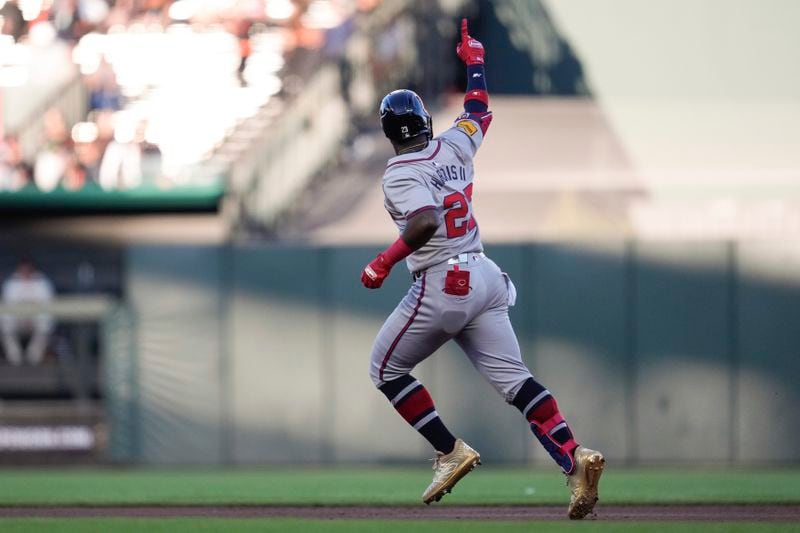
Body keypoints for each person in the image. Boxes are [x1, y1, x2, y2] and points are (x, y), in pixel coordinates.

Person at [360, 19, 605, 519]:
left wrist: (382, 262)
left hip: (442, 282)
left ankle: (450, 450)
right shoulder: (454, 145)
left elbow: (426, 220)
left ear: (389, 133)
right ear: (426, 119)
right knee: (517, 383)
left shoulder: (400, 171)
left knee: (385, 368)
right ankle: (574, 458)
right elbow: (478, 111)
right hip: (486, 277)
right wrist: (475, 63)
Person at [1, 260, 55, 366]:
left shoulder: (42, 282)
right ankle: (15, 359)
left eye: (27, 269)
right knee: (5, 322)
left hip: (36, 319)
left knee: (45, 322)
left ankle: (33, 358)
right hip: (17, 319)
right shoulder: (11, 283)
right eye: (23, 269)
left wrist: (31, 316)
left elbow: (47, 304)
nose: (25, 272)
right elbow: (8, 305)